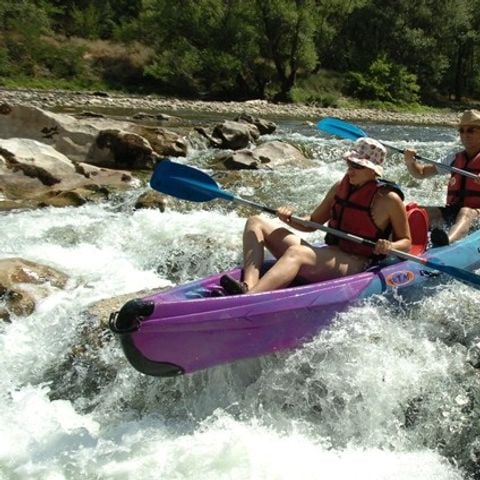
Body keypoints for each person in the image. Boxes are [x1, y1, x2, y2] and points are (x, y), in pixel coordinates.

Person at [220, 137, 412, 295]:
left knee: (297, 253)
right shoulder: (339, 187)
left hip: (356, 263)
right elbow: (313, 224)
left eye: (357, 166)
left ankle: (250, 300)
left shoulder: (389, 199)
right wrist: (288, 218)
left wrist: (390, 246)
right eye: (349, 163)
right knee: (256, 222)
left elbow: (406, 242)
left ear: (373, 170)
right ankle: (249, 285)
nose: (350, 170)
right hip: (328, 254)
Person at [403, 109, 480, 246]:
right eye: (461, 131)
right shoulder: (453, 159)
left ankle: (447, 242)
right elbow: (420, 173)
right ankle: (399, 241)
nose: (465, 134)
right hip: (453, 210)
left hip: (476, 214)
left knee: (466, 211)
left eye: (471, 130)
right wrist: (410, 162)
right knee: (421, 212)